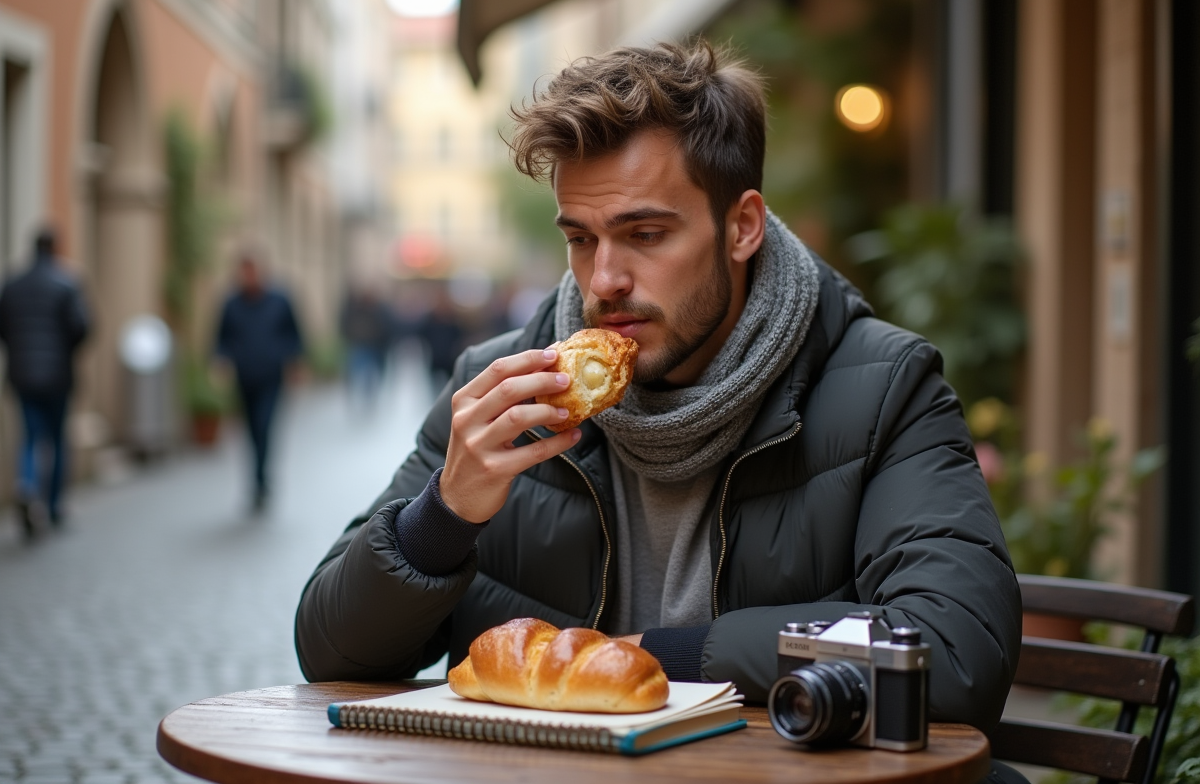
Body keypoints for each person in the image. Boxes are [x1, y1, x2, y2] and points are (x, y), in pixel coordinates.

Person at [296, 41, 1021, 747]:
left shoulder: (882, 390)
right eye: (581, 238)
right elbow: (330, 655)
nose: (603, 279)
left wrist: (667, 656)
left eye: (644, 233)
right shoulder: (501, 392)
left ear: (741, 227)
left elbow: (955, 652)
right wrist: (443, 517)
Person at [0, 228, 91, 538]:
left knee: (29, 435)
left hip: (23, 374)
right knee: (55, 439)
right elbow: (82, 327)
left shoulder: (12, 285)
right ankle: (52, 506)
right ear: (56, 248)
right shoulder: (67, 283)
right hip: (57, 376)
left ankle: (26, 484)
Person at [215, 252, 303, 512]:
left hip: (271, 376)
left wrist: (295, 362)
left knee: (265, 426)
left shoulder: (280, 300)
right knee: (251, 430)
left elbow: (294, 333)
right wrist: (221, 360)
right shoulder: (232, 303)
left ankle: (262, 481)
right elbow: (221, 336)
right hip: (244, 376)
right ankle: (256, 479)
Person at [339, 283, 395, 411]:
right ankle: (360, 394)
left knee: (370, 374)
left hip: (374, 346)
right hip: (359, 345)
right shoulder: (354, 309)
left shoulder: (380, 309)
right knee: (358, 372)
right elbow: (345, 324)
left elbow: (387, 326)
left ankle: (368, 395)